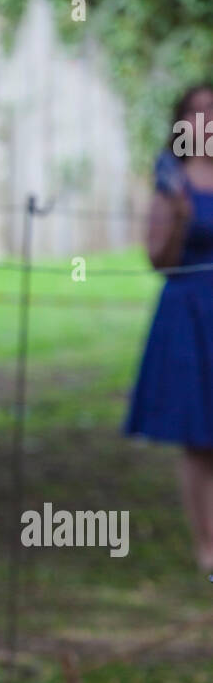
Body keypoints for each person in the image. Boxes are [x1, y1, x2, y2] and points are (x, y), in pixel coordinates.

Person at [124, 83, 213, 571]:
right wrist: (179, 219)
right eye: (197, 112)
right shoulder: (171, 180)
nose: (206, 120)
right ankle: (207, 548)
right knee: (199, 437)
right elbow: (160, 259)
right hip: (190, 315)